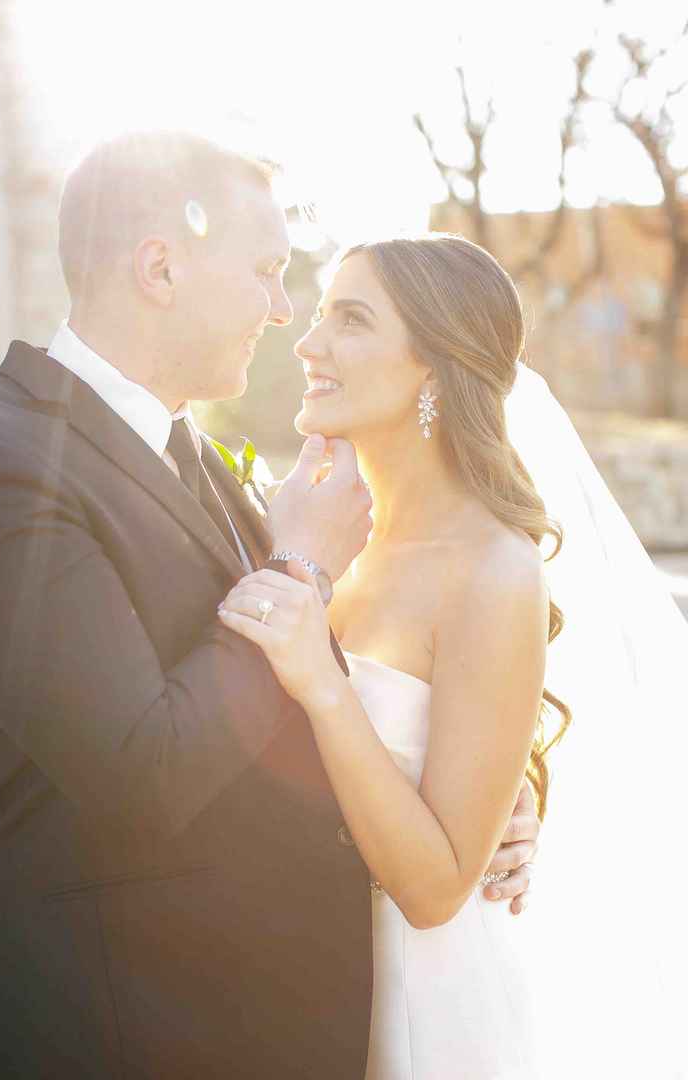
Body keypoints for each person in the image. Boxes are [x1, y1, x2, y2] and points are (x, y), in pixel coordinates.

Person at [0, 134, 537, 1078]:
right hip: (118, 1035)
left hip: (266, 1023)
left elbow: (299, 704)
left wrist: (471, 796)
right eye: (269, 273)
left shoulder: (205, 465)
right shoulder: (2, 464)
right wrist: (302, 565)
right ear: (160, 266)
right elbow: (141, 771)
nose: (285, 316)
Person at [216, 234, 572, 1077]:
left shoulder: (493, 569)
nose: (308, 344)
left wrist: (326, 686)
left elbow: (439, 889)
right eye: (320, 314)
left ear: (432, 370)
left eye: (352, 321)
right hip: (290, 990)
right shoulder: (309, 529)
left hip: (423, 1008)